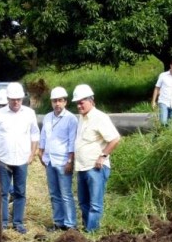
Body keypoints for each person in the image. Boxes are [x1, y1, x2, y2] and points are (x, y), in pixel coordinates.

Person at [0, 82, 40, 234]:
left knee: (20, 192)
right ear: (8, 99)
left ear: (22, 98)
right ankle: (3, 222)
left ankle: (18, 222)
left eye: (18, 99)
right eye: (13, 99)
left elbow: (35, 134)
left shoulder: (29, 113)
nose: (16, 102)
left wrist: (32, 153)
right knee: (3, 192)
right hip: (3, 159)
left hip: (22, 159)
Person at [72, 84, 121, 233]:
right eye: (77, 103)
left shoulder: (99, 117)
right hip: (82, 166)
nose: (79, 106)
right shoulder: (82, 118)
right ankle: (87, 228)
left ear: (91, 100)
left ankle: (92, 232)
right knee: (83, 202)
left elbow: (115, 139)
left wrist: (103, 155)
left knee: (95, 204)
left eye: (82, 102)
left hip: (95, 167)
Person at [38, 86, 78, 231]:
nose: (57, 104)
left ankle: (70, 224)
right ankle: (58, 222)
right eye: (55, 101)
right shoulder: (48, 117)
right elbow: (43, 136)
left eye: (60, 101)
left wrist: (70, 160)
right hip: (50, 160)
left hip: (63, 161)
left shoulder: (71, 119)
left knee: (66, 194)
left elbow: (72, 141)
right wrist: (40, 152)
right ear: (51, 102)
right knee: (54, 194)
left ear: (65, 102)